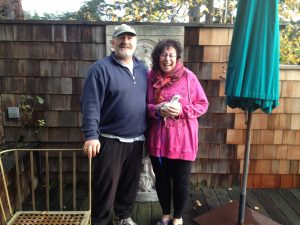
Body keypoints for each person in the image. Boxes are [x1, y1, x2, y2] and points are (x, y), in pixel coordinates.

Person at [80, 24, 147, 225]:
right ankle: (100, 221)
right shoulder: (100, 69)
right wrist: (91, 135)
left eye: (129, 38)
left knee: (129, 185)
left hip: (137, 140)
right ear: (112, 43)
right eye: (121, 38)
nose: (125, 41)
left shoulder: (143, 69)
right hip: (110, 140)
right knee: (105, 187)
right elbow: (90, 103)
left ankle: (122, 218)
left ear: (135, 43)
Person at [146, 39, 209, 225]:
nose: (167, 59)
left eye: (171, 55)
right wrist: (157, 109)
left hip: (183, 142)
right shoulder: (150, 77)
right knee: (162, 181)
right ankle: (165, 215)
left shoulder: (189, 77)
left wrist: (182, 110)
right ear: (157, 57)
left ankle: (178, 218)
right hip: (158, 141)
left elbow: (203, 104)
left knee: (181, 182)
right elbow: (142, 105)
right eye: (164, 55)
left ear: (177, 58)